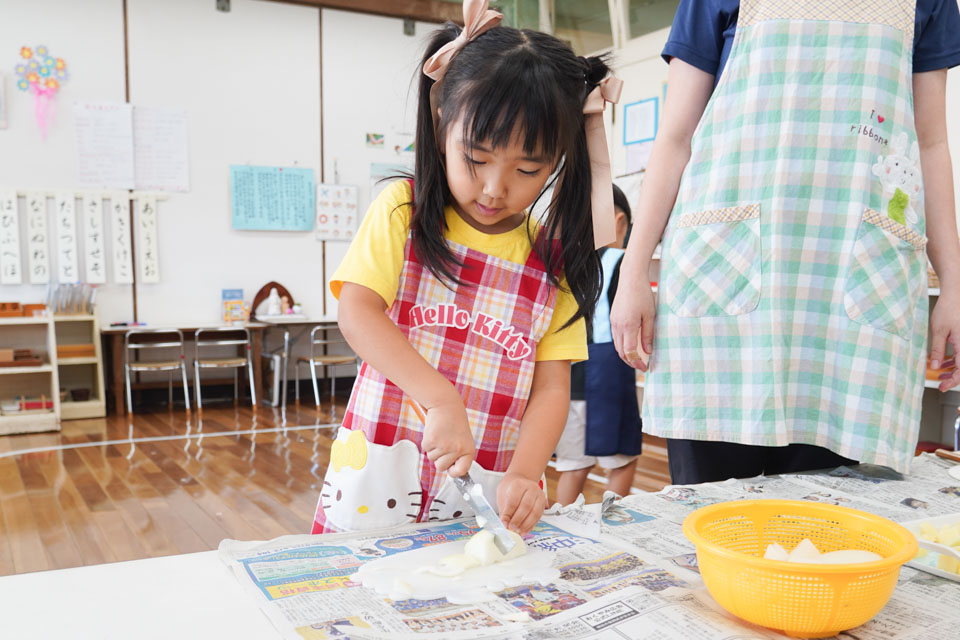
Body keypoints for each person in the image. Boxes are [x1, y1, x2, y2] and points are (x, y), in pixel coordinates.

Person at [610, 0, 960, 484]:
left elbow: (931, 143)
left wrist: (955, 289)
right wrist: (632, 271)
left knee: (826, 528)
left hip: (853, 291)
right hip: (724, 283)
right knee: (713, 517)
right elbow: (674, 137)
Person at [311, 0, 622, 536]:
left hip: (485, 488)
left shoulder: (553, 260)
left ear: (558, 162)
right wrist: (439, 397)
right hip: (379, 478)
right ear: (441, 125)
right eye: (476, 159)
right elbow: (358, 312)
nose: (495, 188)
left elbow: (552, 387)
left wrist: (526, 472)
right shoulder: (402, 212)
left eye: (528, 169)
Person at [555, 185, 642, 505]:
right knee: (622, 460)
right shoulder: (621, 261)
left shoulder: (565, 265)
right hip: (607, 374)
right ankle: (609, 526)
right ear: (619, 221)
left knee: (573, 466)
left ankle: (561, 522)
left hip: (564, 378)